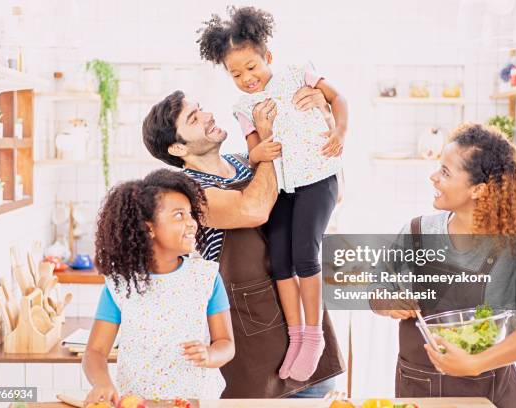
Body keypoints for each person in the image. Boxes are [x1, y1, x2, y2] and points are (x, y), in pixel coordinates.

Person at [142, 89, 345, 398]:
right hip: (254, 345)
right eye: (194, 118)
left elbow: (330, 189)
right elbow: (253, 209)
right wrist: (268, 142)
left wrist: (326, 119)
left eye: (201, 108)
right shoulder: (191, 193)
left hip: (305, 327)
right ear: (177, 147)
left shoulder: (245, 160)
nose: (208, 116)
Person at [197, 6, 348, 381]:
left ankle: (313, 336)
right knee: (279, 258)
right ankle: (296, 334)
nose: (246, 78)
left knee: (305, 255)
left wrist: (338, 129)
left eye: (251, 67)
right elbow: (253, 153)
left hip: (319, 179)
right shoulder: (242, 107)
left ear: (268, 57)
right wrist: (262, 139)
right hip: (282, 187)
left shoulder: (300, 74)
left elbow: (339, 98)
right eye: (236, 74)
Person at [369, 123, 516, 407]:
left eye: (445, 172)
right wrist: (388, 300)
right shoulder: (417, 232)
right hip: (417, 391)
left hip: (489, 396)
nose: (433, 177)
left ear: (479, 190)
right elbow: (377, 288)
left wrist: (476, 363)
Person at [82, 169, 234, 405]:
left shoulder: (206, 277)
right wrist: (102, 382)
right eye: (178, 215)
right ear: (149, 227)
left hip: (196, 399)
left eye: (190, 214)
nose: (192, 222)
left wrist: (210, 354)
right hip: (137, 401)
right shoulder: (121, 283)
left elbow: (226, 343)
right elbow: (95, 352)